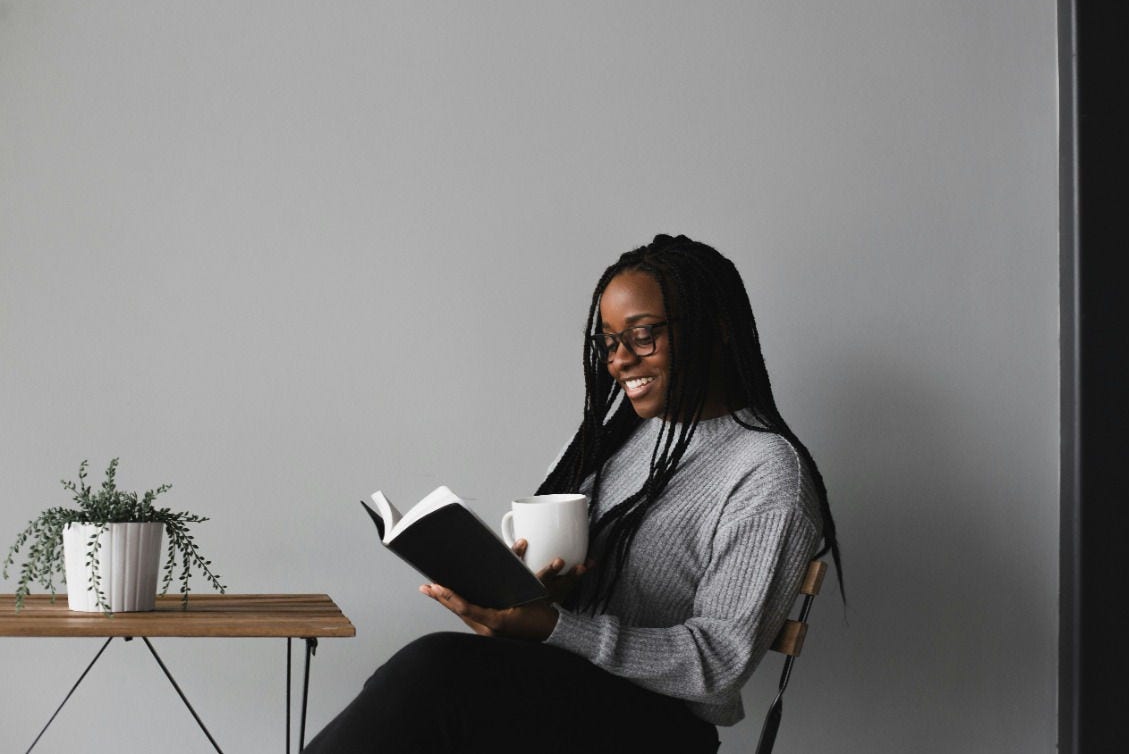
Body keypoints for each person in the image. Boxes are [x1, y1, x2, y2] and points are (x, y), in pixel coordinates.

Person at [304, 234, 843, 753]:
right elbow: (578, 606)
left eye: (642, 334)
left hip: (658, 730)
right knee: (410, 690)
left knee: (432, 674)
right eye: (608, 342)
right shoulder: (615, 440)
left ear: (717, 328)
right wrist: (526, 605)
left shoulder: (767, 471)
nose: (619, 360)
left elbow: (718, 663)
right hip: (571, 695)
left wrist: (558, 628)